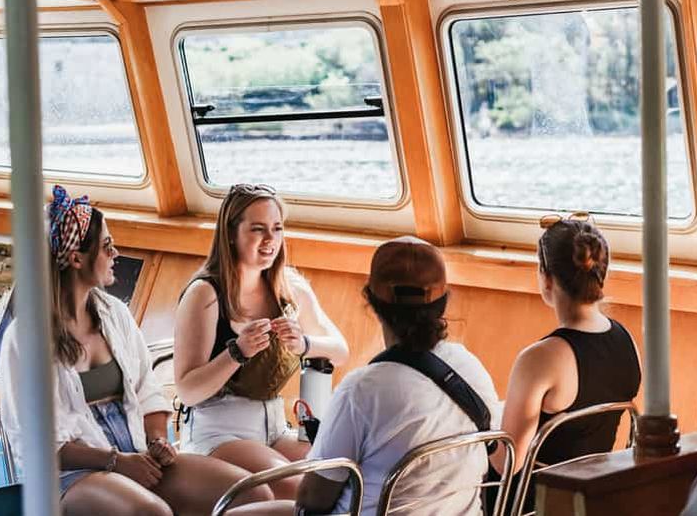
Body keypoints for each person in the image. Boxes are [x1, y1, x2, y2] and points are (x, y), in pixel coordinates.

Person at [0, 185, 271, 516]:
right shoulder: (24, 338)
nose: (115, 254)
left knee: (252, 493)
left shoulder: (114, 313)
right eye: (106, 246)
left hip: (135, 454)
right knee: (152, 513)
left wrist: (156, 441)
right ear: (75, 258)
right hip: (70, 475)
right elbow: (38, 445)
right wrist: (114, 461)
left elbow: (146, 389)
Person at [226, 236, 502, 516]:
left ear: (371, 300)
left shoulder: (361, 390)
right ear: (442, 302)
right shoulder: (471, 368)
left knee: (230, 512)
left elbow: (313, 499)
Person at [174, 183, 349, 499]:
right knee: (298, 489)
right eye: (258, 229)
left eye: (277, 228)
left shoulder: (290, 288)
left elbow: (340, 350)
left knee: (338, 478)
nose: (270, 239)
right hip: (218, 432)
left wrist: (305, 343)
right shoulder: (205, 294)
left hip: (275, 428)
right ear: (231, 233)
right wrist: (236, 353)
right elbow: (188, 390)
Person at [490, 215, 641, 510]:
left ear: (546, 278)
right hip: (592, 497)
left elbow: (508, 462)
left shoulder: (540, 358)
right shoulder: (627, 342)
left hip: (537, 504)